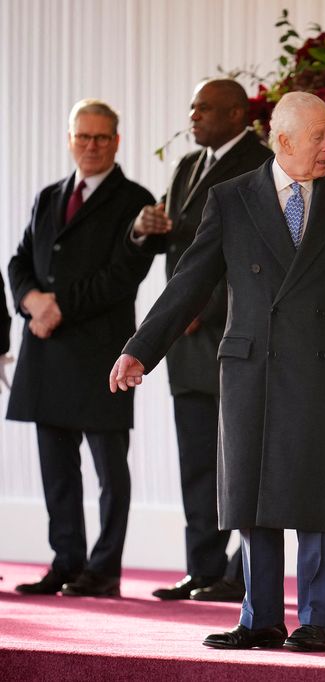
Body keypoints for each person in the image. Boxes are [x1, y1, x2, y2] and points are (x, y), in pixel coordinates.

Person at [110, 92, 325, 653]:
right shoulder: (231, 198)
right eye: (318, 137)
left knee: (319, 496)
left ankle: (319, 619)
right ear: (284, 141)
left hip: (323, 366)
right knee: (254, 494)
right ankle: (261, 616)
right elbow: (189, 282)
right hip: (253, 366)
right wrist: (140, 350)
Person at [133, 78, 272, 604]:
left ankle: (243, 571)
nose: (193, 116)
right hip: (187, 341)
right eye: (192, 106)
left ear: (237, 114)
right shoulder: (189, 166)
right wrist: (146, 229)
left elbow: (259, 253)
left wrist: (203, 307)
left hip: (236, 331)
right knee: (197, 457)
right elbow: (184, 244)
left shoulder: (261, 162)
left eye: (205, 108)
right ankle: (203, 568)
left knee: (243, 455)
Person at [9, 99, 155, 598]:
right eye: (82, 136)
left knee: (110, 471)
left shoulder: (135, 199)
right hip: (47, 352)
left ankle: (104, 568)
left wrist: (57, 309)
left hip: (101, 355)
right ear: (70, 139)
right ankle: (66, 561)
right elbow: (20, 260)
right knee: (57, 471)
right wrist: (30, 301)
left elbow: (122, 277)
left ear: (116, 141)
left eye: (100, 137)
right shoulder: (50, 196)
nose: (90, 146)